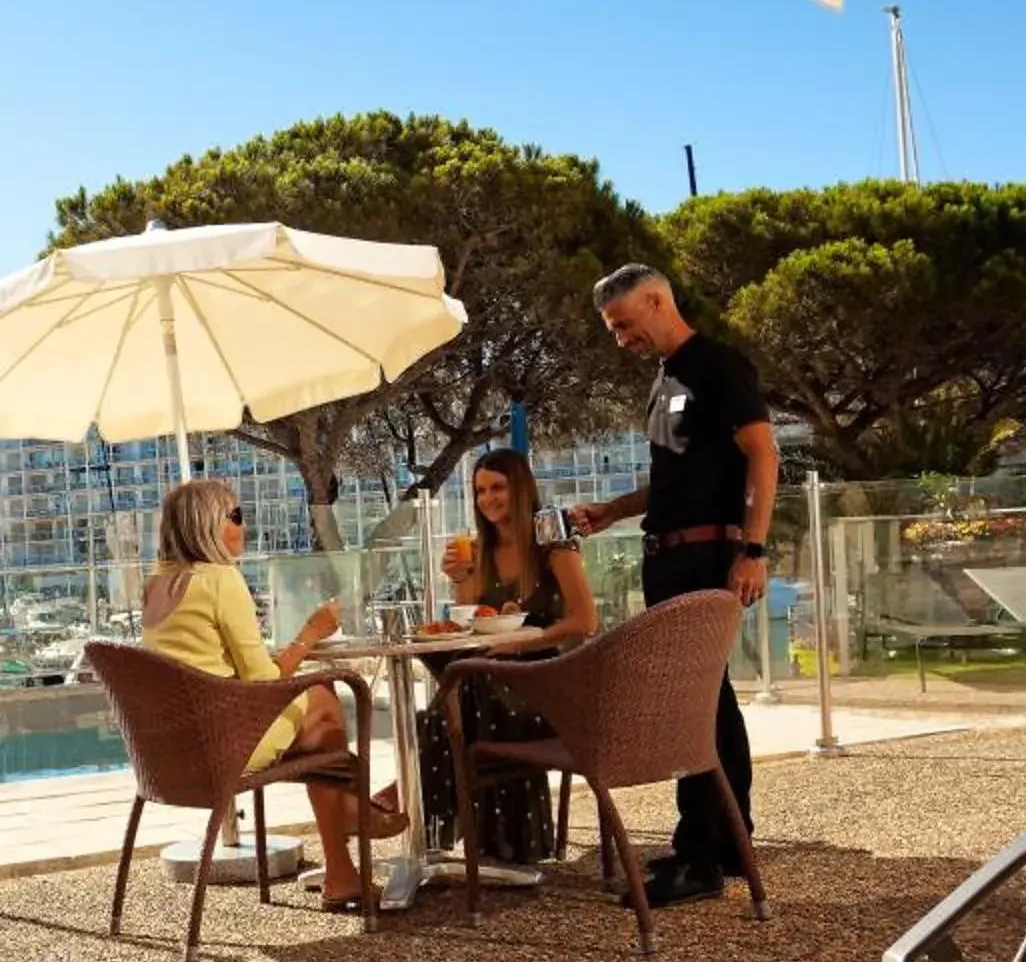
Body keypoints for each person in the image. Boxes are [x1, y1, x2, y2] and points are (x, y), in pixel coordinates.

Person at [569, 264, 776, 910]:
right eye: (613, 330)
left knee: (688, 707)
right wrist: (613, 510)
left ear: (657, 300)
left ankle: (700, 859)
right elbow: (679, 479)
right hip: (669, 556)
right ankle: (728, 842)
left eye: (624, 324)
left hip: (707, 557)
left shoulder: (717, 364)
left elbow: (764, 454)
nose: (620, 339)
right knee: (711, 702)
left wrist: (754, 550)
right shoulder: (665, 381)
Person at [138, 477, 404, 912]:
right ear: (207, 525)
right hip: (227, 748)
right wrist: (312, 631)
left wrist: (279, 657)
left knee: (319, 715)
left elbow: (217, 666)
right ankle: (349, 828)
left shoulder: (157, 584)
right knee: (323, 695)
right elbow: (262, 684)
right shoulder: (220, 579)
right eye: (236, 515)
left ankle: (346, 850)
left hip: (172, 755)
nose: (245, 525)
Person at [421, 448, 599, 864]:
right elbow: (471, 624)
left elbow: (585, 620)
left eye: (497, 487)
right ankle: (487, 841)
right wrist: (461, 578)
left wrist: (522, 643)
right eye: (480, 490)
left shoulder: (553, 547)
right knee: (462, 686)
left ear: (520, 488)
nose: (488, 498)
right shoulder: (478, 551)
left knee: (460, 696)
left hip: (550, 683)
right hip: (494, 679)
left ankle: (414, 810)